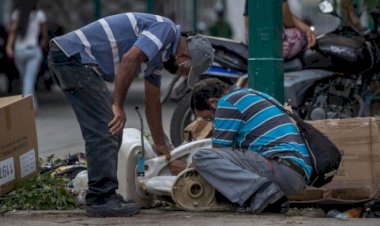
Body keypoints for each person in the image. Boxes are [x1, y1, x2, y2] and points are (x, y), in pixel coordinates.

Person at [47, 12, 214, 217]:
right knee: (106, 127)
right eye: (184, 71)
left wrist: (161, 144)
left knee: (113, 129)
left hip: (73, 58)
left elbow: (151, 101)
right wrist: (118, 104)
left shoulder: (159, 52)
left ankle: (105, 193)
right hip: (73, 56)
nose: (180, 74)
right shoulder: (166, 29)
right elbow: (129, 60)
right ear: (184, 57)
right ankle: (100, 199)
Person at [190, 78, 312, 214]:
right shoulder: (252, 95)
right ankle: (268, 197)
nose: (212, 122)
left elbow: (218, 152)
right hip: (296, 174)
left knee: (202, 157)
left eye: (208, 117)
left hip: (282, 168)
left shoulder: (228, 102)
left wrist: (188, 169)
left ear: (213, 102)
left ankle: (264, 193)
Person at [6, 0, 48, 110]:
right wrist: (41, 45)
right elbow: (44, 36)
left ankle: (33, 106)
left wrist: (9, 47)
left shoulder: (17, 13)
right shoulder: (39, 15)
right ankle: (28, 108)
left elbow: (12, 32)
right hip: (33, 51)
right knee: (29, 80)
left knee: (26, 80)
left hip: (19, 51)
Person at [244, 0, 316, 60]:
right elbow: (286, 18)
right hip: (270, 42)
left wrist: (304, 27)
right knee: (303, 36)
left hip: (252, 39)